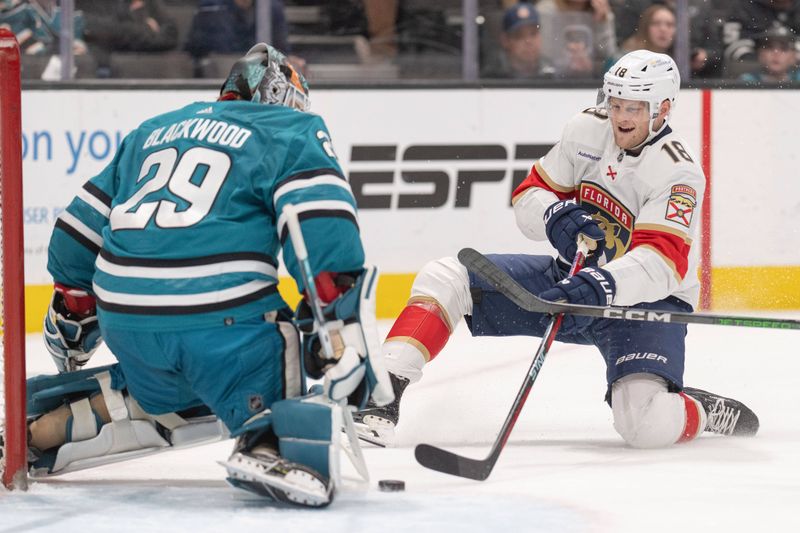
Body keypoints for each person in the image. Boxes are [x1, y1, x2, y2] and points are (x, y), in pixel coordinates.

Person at [12, 43, 392, 508]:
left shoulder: (151, 131)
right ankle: (271, 444)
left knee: (184, 378)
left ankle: (37, 430)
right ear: (282, 97)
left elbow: (76, 232)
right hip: (219, 318)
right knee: (282, 343)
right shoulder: (291, 129)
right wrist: (334, 326)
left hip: (127, 324)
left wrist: (74, 308)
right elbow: (321, 226)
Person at [355, 49, 760, 450]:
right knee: (446, 276)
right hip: (571, 281)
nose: (621, 117)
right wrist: (555, 214)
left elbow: (661, 263)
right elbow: (528, 196)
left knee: (645, 426)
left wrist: (598, 284)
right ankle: (380, 400)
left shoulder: (679, 171)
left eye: (635, 108)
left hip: (648, 302)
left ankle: (698, 408)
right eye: (616, 103)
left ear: (663, 108)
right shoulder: (586, 130)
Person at [536, 0, 617, 78]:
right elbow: (544, 53)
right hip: (552, 83)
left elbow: (608, 55)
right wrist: (569, 60)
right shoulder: (547, 10)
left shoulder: (601, 10)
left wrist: (601, 23)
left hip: (592, 82)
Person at [482, 2, 555, 79]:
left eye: (533, 34)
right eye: (519, 36)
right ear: (505, 40)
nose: (528, 41)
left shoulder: (552, 72)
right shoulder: (491, 78)